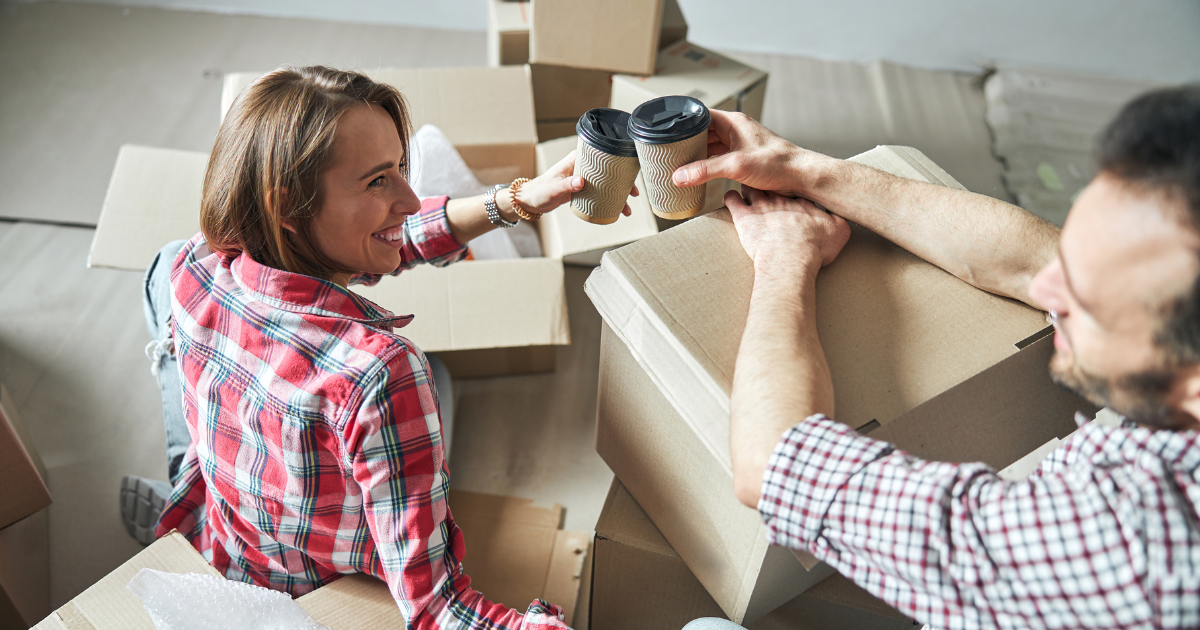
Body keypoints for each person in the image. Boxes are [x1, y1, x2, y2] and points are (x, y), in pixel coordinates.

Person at [119, 65, 635, 629]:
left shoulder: (197, 261)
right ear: (288, 208)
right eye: (378, 181)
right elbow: (439, 610)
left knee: (162, 268)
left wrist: (517, 202)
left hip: (225, 526)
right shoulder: (379, 373)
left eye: (401, 169)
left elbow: (377, 241)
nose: (411, 200)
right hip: (314, 590)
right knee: (432, 378)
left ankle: (185, 493)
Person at [673, 85, 1200, 629]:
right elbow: (1031, 261)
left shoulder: (1122, 546)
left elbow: (778, 466)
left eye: (1087, 300)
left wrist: (786, 256)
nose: (1049, 289)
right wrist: (797, 167)